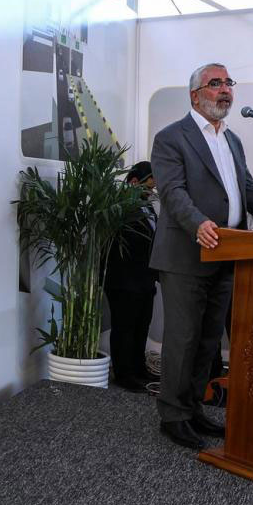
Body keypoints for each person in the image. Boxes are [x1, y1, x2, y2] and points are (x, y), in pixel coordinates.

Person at [148, 64, 253, 449]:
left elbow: (249, 192)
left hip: (228, 253)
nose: (225, 90)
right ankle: (172, 416)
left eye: (228, 83)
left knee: (208, 341)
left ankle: (192, 407)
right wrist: (198, 223)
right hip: (187, 254)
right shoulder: (171, 138)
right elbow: (172, 192)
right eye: (215, 84)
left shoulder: (232, 140)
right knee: (183, 338)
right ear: (195, 95)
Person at [104, 162, 157, 392]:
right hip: (124, 281)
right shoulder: (120, 205)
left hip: (145, 279)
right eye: (150, 184)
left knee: (142, 326)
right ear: (135, 181)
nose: (153, 189)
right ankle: (124, 374)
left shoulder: (148, 206)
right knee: (124, 328)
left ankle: (138, 368)